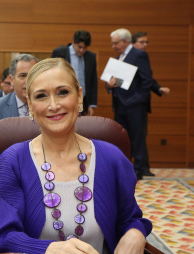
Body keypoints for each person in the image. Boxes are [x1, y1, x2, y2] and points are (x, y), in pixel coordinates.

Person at [0, 58, 152, 254]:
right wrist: (49, 250)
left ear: (79, 96)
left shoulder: (112, 158)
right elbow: (5, 237)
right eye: (41, 96)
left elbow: (129, 219)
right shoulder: (11, 162)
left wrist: (136, 233)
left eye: (63, 92)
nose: (54, 105)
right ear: (30, 105)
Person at [106, 28, 153, 180]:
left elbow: (146, 81)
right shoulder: (119, 58)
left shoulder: (139, 55)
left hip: (134, 105)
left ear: (125, 41)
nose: (113, 46)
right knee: (122, 138)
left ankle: (138, 169)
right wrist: (108, 86)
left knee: (137, 137)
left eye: (115, 43)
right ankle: (125, 167)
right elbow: (114, 83)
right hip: (120, 105)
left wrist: (137, 100)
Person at [132, 31, 171, 177]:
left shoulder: (140, 56)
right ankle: (142, 167)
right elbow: (145, 79)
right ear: (133, 43)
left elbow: (147, 78)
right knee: (137, 135)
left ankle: (144, 167)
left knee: (140, 134)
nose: (144, 45)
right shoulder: (135, 56)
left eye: (146, 42)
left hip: (137, 102)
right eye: (141, 42)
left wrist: (158, 88)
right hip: (133, 102)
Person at [51, 30, 98, 116]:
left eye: (85, 48)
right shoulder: (60, 52)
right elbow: (52, 76)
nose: (82, 50)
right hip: (63, 99)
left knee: (80, 127)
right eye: (79, 47)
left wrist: (91, 105)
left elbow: (93, 81)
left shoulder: (91, 57)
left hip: (83, 101)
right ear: (73, 42)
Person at [0, 54, 38, 126]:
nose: (27, 81)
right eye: (22, 76)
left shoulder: (48, 105)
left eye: (32, 76)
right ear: (12, 80)